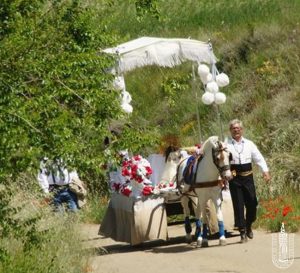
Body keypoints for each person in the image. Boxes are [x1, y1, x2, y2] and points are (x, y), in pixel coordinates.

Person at [225, 119, 271, 243]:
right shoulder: (226, 145)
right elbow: (220, 161)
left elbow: (258, 158)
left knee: (252, 203)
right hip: (234, 178)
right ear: (230, 131)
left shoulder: (249, 144)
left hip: (248, 177)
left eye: (238, 128)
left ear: (242, 130)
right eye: (233, 128)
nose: (236, 130)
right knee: (238, 205)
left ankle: (249, 224)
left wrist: (265, 171)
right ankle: (242, 232)